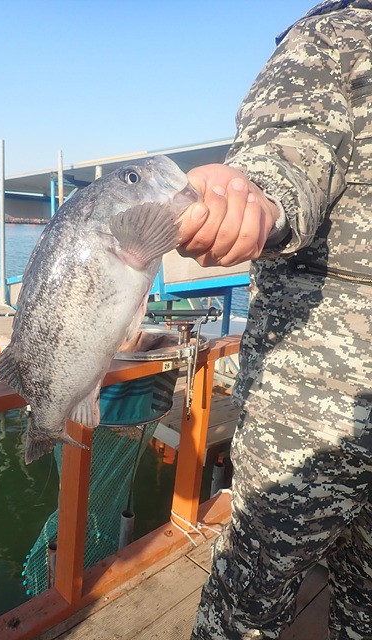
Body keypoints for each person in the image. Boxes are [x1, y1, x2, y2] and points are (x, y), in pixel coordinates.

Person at [178, 1, 372, 638]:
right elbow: (291, 147)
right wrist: (252, 198)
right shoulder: (340, 29)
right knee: (248, 603)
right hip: (312, 407)